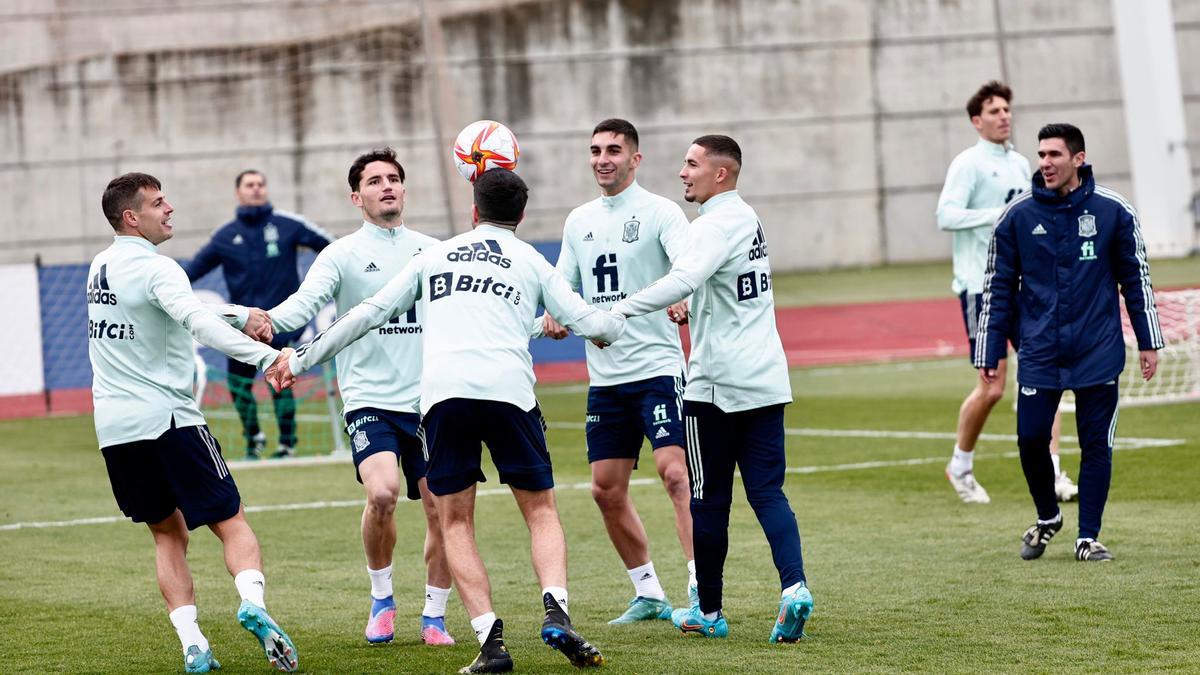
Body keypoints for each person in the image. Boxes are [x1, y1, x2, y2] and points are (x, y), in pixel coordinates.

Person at [272, 169, 625, 673]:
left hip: (442, 398)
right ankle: (556, 611)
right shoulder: (530, 260)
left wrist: (299, 360)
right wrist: (627, 315)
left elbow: (366, 314)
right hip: (509, 394)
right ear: (521, 216)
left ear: (473, 210)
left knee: (454, 518)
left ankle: (490, 643)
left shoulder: (433, 255)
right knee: (541, 510)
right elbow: (595, 326)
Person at [88, 173, 298, 673]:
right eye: (159, 204)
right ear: (131, 217)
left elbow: (167, 308)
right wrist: (264, 355)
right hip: (170, 420)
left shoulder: (101, 265)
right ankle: (254, 604)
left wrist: (237, 311)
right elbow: (193, 320)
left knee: (167, 536)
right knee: (232, 522)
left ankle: (193, 644)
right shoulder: (161, 269)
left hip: (115, 430)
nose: (170, 209)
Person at [609, 135, 811, 643]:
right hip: (766, 377)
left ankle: (709, 612)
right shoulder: (748, 218)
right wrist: (692, 306)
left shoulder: (713, 225)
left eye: (691, 164)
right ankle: (794, 589)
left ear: (720, 174)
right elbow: (718, 288)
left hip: (717, 385)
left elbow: (684, 278)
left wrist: (620, 309)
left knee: (708, 499)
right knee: (768, 492)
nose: (682, 172)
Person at [260, 149, 455, 646]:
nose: (386, 186)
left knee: (442, 507)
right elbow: (298, 309)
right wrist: (255, 319)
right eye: (375, 181)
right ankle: (382, 597)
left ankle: (434, 615)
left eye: (394, 179)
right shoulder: (341, 254)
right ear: (357, 196)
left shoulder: (434, 250)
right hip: (370, 399)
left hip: (431, 401)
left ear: (404, 190)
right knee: (383, 493)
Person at [975, 123, 1163, 562]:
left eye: (1054, 155)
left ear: (1078, 159)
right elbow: (997, 288)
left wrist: (1149, 340)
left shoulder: (1114, 211)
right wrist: (988, 351)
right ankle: (1048, 517)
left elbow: (1136, 279)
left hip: (1098, 349)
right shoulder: (1016, 216)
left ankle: (1088, 536)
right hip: (1040, 351)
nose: (1045, 163)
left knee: (1097, 444)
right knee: (1029, 438)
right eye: (1041, 155)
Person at [536, 119, 694, 623]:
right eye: (595, 150)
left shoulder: (661, 212)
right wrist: (554, 317)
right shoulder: (579, 219)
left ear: (635, 158)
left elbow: (688, 268)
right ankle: (648, 593)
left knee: (676, 476)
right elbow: (563, 285)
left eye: (613, 150)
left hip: (658, 370)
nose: (603, 159)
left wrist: (684, 299)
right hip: (606, 379)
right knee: (605, 490)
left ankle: (700, 591)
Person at [936, 80, 1077, 504]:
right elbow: (946, 215)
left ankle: (1052, 473)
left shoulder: (1021, 164)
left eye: (1007, 109)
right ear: (977, 121)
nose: (1004, 116)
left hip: (1028, 288)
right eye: (994, 111)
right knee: (993, 386)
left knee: (1046, 376)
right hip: (984, 289)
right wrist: (999, 214)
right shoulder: (969, 164)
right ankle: (960, 465)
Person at [186, 170, 335, 459]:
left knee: (281, 382)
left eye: (260, 184)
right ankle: (254, 436)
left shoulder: (288, 225)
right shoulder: (225, 236)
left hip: (282, 324)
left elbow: (335, 250)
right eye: (249, 185)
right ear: (238, 192)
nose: (256, 189)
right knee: (238, 387)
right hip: (242, 327)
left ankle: (287, 444)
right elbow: (189, 272)